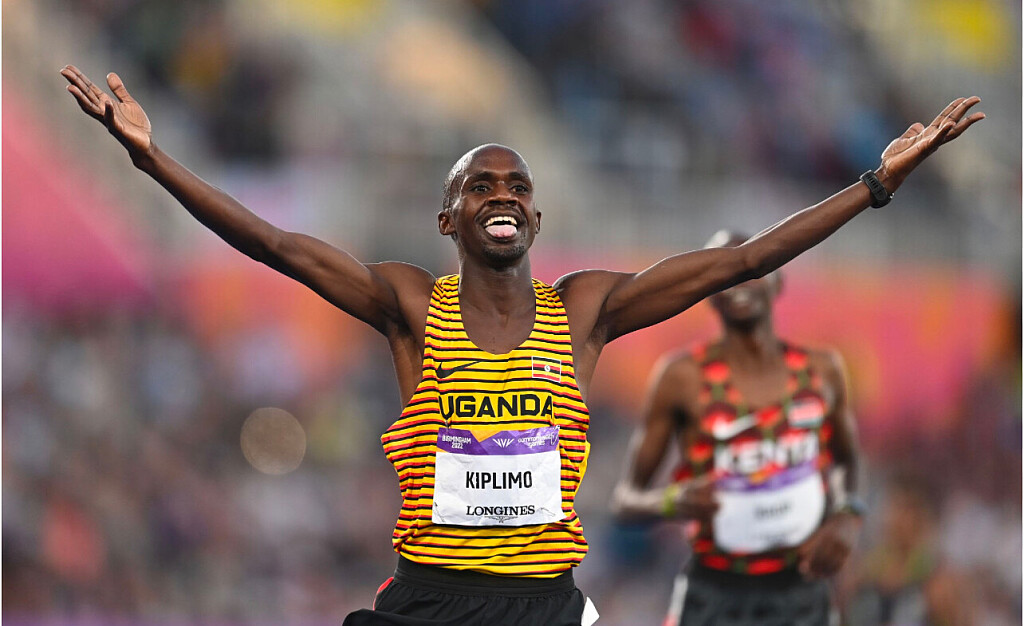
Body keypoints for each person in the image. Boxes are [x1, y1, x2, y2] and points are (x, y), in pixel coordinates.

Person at [60, 64, 983, 626]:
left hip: (546, 605)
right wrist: (151, 158)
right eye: (480, 183)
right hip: (430, 597)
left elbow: (741, 260)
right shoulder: (409, 303)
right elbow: (275, 245)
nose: (501, 192)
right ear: (449, 217)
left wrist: (874, 186)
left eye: (517, 184)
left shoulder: (584, 310)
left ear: (535, 217)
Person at [611, 228, 863, 625]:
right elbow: (625, 500)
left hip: (802, 590)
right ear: (707, 291)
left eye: (753, 267)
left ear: (779, 279)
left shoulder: (822, 371)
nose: (739, 281)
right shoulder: (681, 377)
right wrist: (672, 502)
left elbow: (847, 462)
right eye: (724, 272)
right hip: (713, 593)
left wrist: (848, 513)